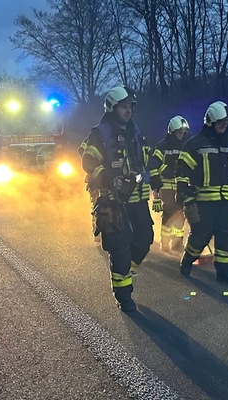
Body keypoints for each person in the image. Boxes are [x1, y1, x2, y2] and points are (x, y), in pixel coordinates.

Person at [79, 85, 154, 312]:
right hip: (113, 200)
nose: (128, 110)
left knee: (145, 238)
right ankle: (124, 296)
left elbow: (143, 160)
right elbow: (88, 161)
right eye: (123, 106)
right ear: (112, 108)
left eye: (130, 106)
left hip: (137, 198)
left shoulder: (136, 131)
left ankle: (126, 271)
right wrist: (111, 179)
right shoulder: (100, 133)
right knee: (119, 249)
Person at [175, 101, 228, 284]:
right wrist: (187, 200)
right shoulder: (194, 145)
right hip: (204, 203)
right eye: (220, 122)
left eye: (226, 123)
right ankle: (188, 258)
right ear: (210, 122)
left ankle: (226, 273)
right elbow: (182, 174)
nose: (224, 125)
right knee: (200, 237)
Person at [148, 115, 190, 252]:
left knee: (180, 214)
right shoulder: (162, 147)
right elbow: (153, 165)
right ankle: (165, 242)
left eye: (183, 133)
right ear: (172, 132)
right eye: (179, 132)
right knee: (168, 213)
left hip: (179, 187)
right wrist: (165, 171)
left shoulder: (184, 147)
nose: (181, 135)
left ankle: (177, 243)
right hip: (165, 187)